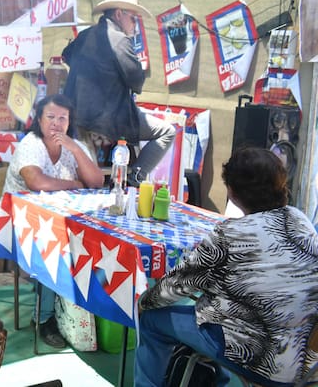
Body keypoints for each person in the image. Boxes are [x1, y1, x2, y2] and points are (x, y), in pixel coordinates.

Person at [134, 147, 318, 387]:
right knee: (219, 308)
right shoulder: (299, 219)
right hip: (305, 360)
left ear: (232, 193)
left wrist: (140, 304)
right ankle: (214, 378)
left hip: (260, 360)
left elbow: (176, 286)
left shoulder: (229, 234)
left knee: (151, 319)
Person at [0, 94, 103, 347]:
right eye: (51, 117)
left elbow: (97, 182)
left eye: (63, 118)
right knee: (53, 248)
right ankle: (43, 319)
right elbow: (37, 182)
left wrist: (75, 149)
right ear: (39, 120)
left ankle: (86, 313)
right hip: (13, 220)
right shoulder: (31, 144)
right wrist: (75, 184)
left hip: (60, 222)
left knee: (93, 243)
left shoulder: (75, 146)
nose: (56, 124)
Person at [62, 0, 175, 186]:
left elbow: (66, 55)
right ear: (119, 14)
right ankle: (135, 178)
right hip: (109, 122)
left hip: (77, 118)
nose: (136, 26)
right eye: (133, 19)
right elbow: (136, 80)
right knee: (167, 131)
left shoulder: (85, 35)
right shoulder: (120, 40)